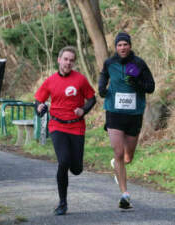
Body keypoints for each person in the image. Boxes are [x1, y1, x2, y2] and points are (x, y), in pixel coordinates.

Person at [34, 46, 96, 216]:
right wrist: (39, 108)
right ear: (59, 60)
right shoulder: (50, 81)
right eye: (65, 59)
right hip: (57, 126)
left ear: (73, 63)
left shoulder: (80, 80)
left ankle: (75, 165)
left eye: (71, 60)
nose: (68, 63)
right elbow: (38, 101)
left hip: (76, 126)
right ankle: (62, 203)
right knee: (63, 161)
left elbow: (92, 98)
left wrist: (83, 110)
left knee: (76, 169)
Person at [98, 32, 155, 209]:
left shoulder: (139, 63)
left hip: (134, 114)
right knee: (118, 152)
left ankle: (117, 165)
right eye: (119, 45)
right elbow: (103, 76)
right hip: (114, 112)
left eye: (125, 44)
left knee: (128, 156)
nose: (122, 47)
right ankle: (125, 194)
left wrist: (137, 82)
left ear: (130, 46)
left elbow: (150, 87)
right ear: (116, 47)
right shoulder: (109, 63)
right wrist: (101, 88)